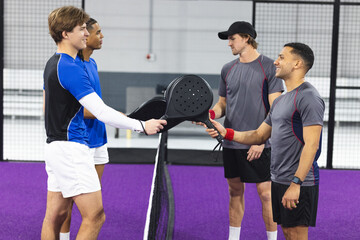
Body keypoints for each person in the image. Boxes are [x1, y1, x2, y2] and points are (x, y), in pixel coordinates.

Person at [42, 6, 166, 240]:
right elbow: (100, 111)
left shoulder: (53, 63)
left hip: (55, 147)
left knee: (54, 216)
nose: (86, 34)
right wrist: (141, 125)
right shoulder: (70, 67)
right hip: (71, 148)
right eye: (81, 29)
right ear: (65, 34)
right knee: (96, 216)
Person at [207, 42, 324, 240]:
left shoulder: (309, 97)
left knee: (296, 234)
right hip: (278, 179)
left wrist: (296, 184)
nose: (276, 62)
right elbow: (258, 135)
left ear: (297, 63)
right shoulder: (280, 101)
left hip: (298, 182)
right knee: (287, 232)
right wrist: (225, 132)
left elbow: (312, 145)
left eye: (282, 58)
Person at [211, 21, 284, 240]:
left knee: (266, 195)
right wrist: (212, 115)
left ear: (246, 38)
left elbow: (277, 108)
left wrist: (261, 140)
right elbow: (223, 103)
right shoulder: (227, 68)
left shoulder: (270, 67)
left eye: (232, 39)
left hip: (259, 144)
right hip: (231, 142)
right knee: (234, 192)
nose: (229, 44)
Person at [58, 18, 107, 240]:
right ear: (85, 37)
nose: (100, 36)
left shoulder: (93, 64)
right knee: (67, 200)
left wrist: (106, 115)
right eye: (97, 32)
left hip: (99, 139)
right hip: (79, 142)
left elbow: (96, 107)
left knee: (93, 204)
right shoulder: (72, 67)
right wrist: (113, 115)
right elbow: (80, 109)